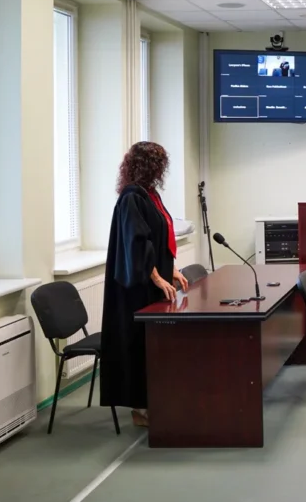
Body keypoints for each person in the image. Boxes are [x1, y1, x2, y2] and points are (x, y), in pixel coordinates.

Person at [100, 141, 189, 427]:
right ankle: (140, 408)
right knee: (139, 345)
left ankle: (156, 401)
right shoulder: (131, 197)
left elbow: (159, 237)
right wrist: (157, 276)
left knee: (154, 345)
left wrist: (171, 270)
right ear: (148, 166)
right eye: (159, 164)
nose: (162, 169)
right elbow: (136, 243)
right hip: (136, 289)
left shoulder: (150, 195)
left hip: (152, 283)